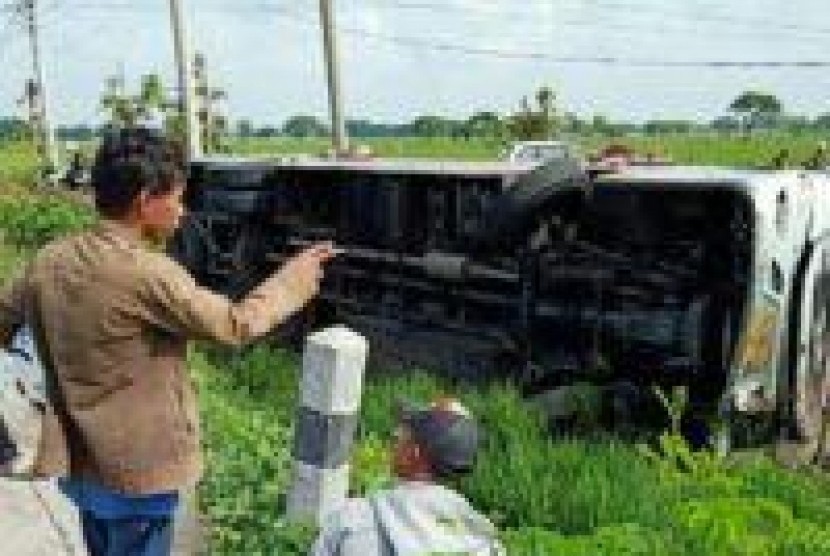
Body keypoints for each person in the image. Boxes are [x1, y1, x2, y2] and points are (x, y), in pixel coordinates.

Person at [0, 126, 335, 556]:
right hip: (139, 479)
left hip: (82, 467)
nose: (182, 210)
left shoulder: (47, 262)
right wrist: (293, 282)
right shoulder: (149, 275)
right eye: (176, 197)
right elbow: (235, 325)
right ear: (144, 200)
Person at [311, 397, 505, 556]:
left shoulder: (353, 520)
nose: (396, 435)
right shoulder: (486, 542)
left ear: (415, 454)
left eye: (406, 434)